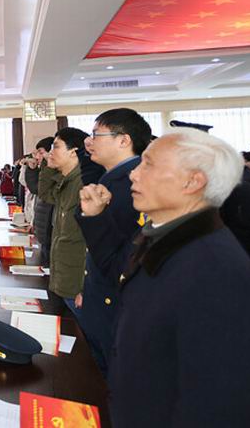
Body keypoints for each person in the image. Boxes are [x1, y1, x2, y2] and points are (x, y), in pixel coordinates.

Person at [80, 129, 250, 427]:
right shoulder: (167, 238)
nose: (133, 174)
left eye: (148, 164)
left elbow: (226, 408)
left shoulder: (216, 274)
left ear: (193, 181)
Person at [74, 108, 151, 377]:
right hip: (100, 297)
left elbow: (120, 255)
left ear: (123, 140)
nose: (89, 141)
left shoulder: (132, 184)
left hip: (116, 307)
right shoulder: (111, 176)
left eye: (97, 135)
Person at [37, 128, 88, 315]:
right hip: (64, 279)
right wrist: (47, 167)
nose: (50, 153)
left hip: (78, 287)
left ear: (73, 151)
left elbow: (91, 243)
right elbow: (45, 194)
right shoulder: (66, 182)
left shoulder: (83, 184)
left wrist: (86, 287)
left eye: (56, 147)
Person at [26, 137, 55, 267]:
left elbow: (39, 190)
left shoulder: (52, 170)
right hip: (43, 227)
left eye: (41, 152)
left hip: (50, 230)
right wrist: (31, 169)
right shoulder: (44, 169)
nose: (37, 157)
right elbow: (34, 188)